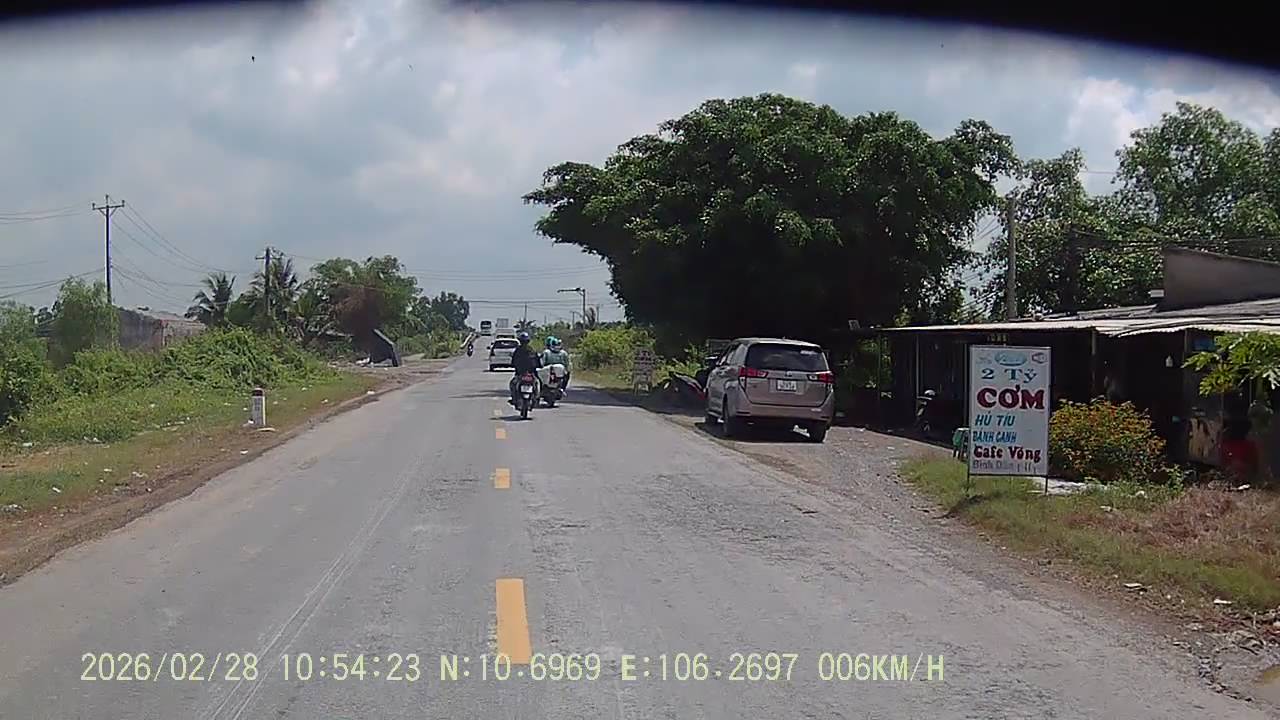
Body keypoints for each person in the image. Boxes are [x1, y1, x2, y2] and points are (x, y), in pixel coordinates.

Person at [508, 331, 541, 407]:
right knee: (537, 383)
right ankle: (536, 398)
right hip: (529, 373)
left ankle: (515, 398)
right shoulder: (531, 350)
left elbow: (513, 361)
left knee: (513, 383)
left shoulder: (518, 350)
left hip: (522, 373)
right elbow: (538, 361)